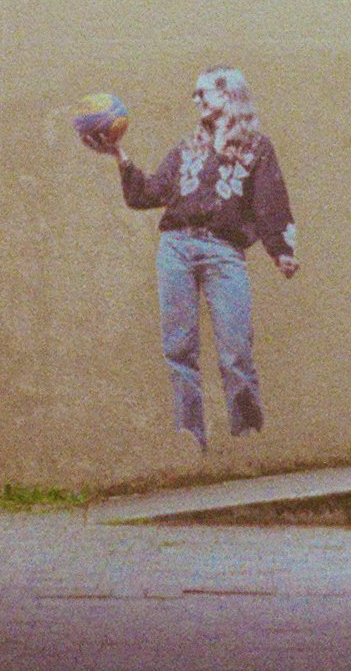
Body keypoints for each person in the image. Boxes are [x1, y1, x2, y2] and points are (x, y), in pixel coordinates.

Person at [83, 67, 297, 449]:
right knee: (179, 348)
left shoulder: (257, 148)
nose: (195, 100)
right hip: (176, 248)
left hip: (224, 252)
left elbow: (270, 202)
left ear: (228, 94)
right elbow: (145, 195)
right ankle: (190, 441)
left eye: (203, 93)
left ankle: (248, 441)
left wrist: (281, 251)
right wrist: (120, 157)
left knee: (236, 350)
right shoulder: (187, 148)